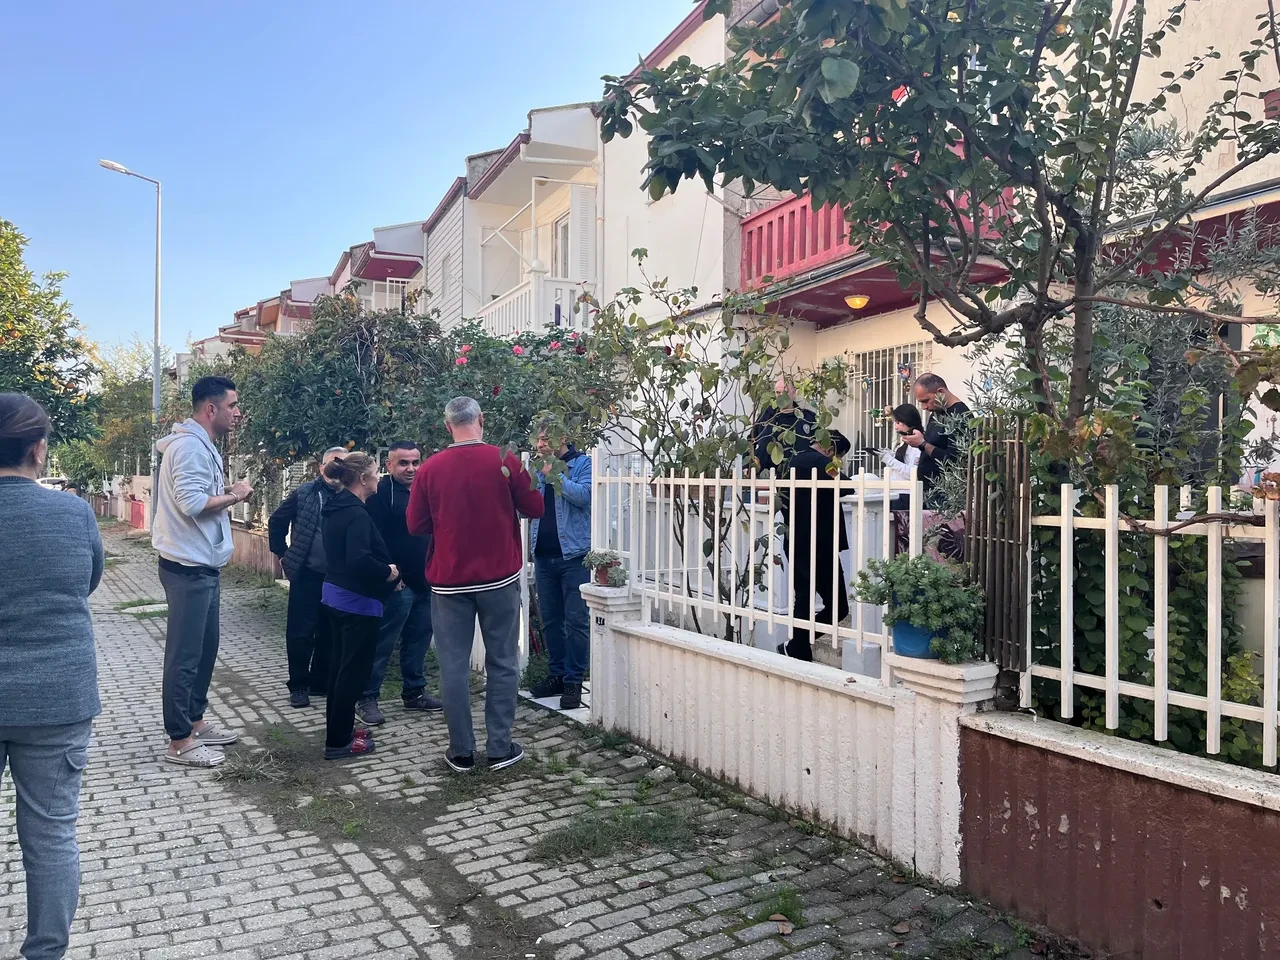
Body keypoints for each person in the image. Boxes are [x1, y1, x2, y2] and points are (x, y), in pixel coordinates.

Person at [0, 394, 103, 960]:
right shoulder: (74, 512)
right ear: (39, 449)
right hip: (59, 697)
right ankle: (44, 953)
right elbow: (86, 582)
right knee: (51, 836)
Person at [406, 397, 543, 773]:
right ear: (481, 419)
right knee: (503, 661)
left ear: (447, 425)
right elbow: (535, 508)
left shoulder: (430, 469)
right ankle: (499, 747)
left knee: (453, 664)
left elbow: (415, 525)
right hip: (498, 576)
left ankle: (461, 751)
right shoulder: (504, 461)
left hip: (449, 580)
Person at [153, 376, 251, 768]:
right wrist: (235, 495)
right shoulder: (191, 448)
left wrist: (223, 488)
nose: (238, 412)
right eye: (233, 405)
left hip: (201, 566)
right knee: (186, 655)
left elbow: (190, 496)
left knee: (205, 650)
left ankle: (194, 721)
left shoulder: (199, 445)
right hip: (188, 568)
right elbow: (193, 503)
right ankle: (179, 740)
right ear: (211, 409)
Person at [318, 453, 399, 760]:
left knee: (339, 670)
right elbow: (359, 559)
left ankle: (342, 730)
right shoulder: (356, 514)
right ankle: (339, 742)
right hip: (357, 602)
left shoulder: (336, 507)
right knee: (351, 674)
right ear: (363, 479)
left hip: (335, 595)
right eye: (376, 473)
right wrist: (388, 571)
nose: (379, 478)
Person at [361, 440, 441, 724]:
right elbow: (373, 539)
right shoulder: (379, 495)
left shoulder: (428, 490)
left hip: (426, 580)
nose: (410, 468)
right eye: (403, 463)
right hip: (396, 585)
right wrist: (389, 575)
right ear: (389, 465)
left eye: (415, 462)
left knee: (418, 640)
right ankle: (367, 697)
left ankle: (415, 692)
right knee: (383, 642)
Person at [269, 446, 349, 708]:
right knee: (301, 634)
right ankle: (299, 686)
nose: (337, 468)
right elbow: (277, 520)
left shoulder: (352, 495)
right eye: (332, 462)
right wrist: (282, 554)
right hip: (307, 575)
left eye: (343, 464)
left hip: (339, 579)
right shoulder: (304, 493)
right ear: (321, 467)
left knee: (330, 632)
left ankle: (320, 682)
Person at [528, 421, 593, 710]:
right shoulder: (536, 468)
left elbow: (584, 496)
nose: (539, 445)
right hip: (543, 556)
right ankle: (556, 675)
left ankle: (573, 681)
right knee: (551, 620)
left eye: (544, 440)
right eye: (537, 441)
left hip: (574, 556)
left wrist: (553, 475)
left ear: (562, 437)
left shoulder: (582, 464)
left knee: (576, 621)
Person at [782, 421, 852, 661]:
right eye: (840, 457)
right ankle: (797, 646)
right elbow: (846, 485)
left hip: (795, 539)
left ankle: (798, 649)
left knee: (803, 597)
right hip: (821, 543)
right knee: (838, 607)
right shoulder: (823, 464)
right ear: (832, 451)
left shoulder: (789, 461)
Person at [906, 373, 971, 492]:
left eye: (926, 400)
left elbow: (955, 460)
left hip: (947, 494)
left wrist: (923, 444)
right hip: (929, 491)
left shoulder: (960, 415)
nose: (924, 407)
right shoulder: (937, 413)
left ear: (940, 392)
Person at [878, 404, 925, 511]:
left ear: (908, 421)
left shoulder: (918, 445)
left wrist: (890, 460)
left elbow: (914, 473)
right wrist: (891, 455)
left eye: (898, 422)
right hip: (895, 493)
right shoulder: (904, 443)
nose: (896, 426)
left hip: (906, 495)